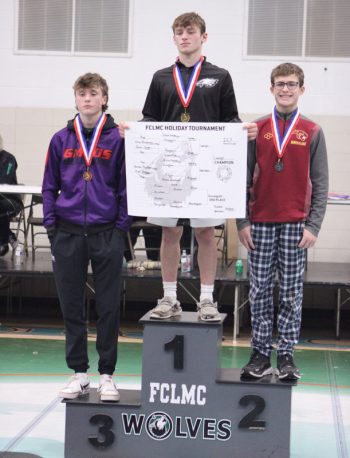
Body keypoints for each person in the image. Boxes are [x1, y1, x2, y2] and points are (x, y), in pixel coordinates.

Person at [120, 12, 257, 322]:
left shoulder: (220, 76)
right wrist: (135, 131)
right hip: (170, 170)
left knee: (206, 233)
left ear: (203, 37)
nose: (184, 36)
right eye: (179, 32)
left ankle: (206, 298)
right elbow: (151, 119)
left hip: (205, 170)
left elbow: (230, 120)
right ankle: (169, 297)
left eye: (190, 31)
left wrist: (243, 130)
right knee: (171, 232)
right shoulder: (160, 77)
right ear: (174, 38)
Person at [42, 73, 131, 401]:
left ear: (105, 99)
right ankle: (79, 372)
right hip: (67, 233)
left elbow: (126, 188)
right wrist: (52, 227)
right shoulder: (60, 139)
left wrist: (121, 229)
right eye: (82, 94)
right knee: (72, 306)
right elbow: (49, 186)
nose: (88, 99)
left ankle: (107, 374)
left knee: (108, 306)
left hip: (106, 232)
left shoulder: (118, 139)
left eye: (94, 93)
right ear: (76, 99)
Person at [237, 63, 328, 381]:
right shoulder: (256, 129)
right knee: (259, 291)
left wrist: (313, 225)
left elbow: (320, 181)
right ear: (271, 88)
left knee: (291, 293)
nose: (285, 89)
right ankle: (260, 353)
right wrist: (241, 222)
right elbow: (241, 179)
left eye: (291, 84)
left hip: (295, 225)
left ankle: (286, 355)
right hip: (259, 223)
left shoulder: (313, 131)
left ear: (302, 89)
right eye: (280, 84)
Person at [0, 135, 23, 256]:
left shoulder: (9, 159)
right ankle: (9, 236)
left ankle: (4, 241)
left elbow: (5, 180)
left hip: (11, 201)